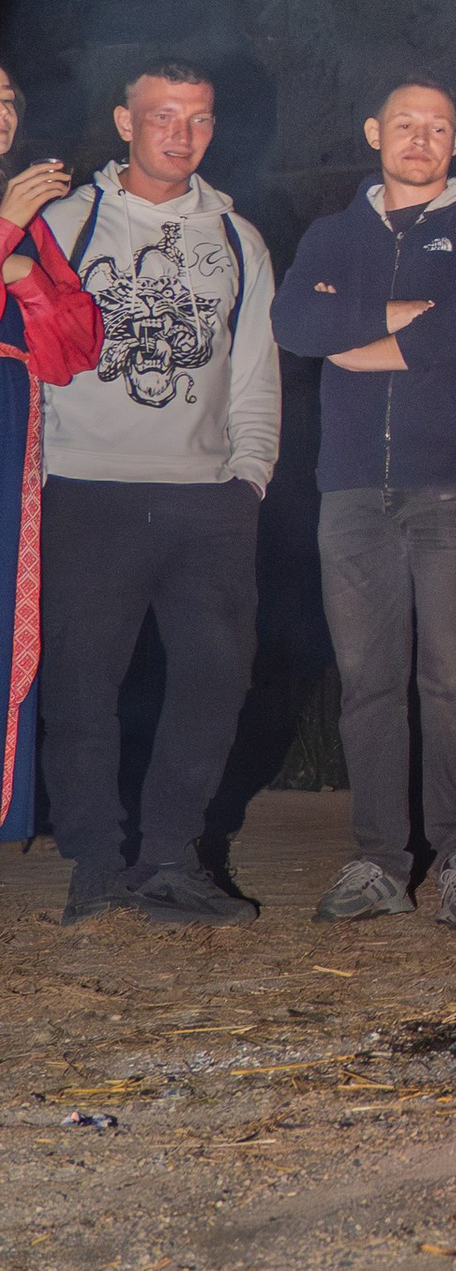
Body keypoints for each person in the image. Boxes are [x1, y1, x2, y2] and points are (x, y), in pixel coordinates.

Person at [272, 80, 456, 929]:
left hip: (452, 482)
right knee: (367, 681)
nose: (421, 138)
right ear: (374, 129)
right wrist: (394, 315)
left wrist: (360, 346)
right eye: (405, 124)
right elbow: (293, 322)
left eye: (438, 127)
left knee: (453, 675)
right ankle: (378, 860)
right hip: (349, 490)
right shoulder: (331, 233)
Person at [36, 63, 279, 923]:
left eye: (200, 120)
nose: (181, 134)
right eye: (163, 116)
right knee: (80, 683)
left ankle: (172, 855)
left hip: (206, 496)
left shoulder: (238, 238)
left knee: (216, 676)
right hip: (86, 488)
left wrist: (250, 476)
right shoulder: (63, 223)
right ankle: (96, 860)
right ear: (124, 122)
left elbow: (253, 370)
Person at [0, 68, 104, 839]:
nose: (1, 115)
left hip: (10, 413)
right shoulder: (17, 213)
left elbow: (74, 346)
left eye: (8, 101)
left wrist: (29, 273)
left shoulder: (36, 223)